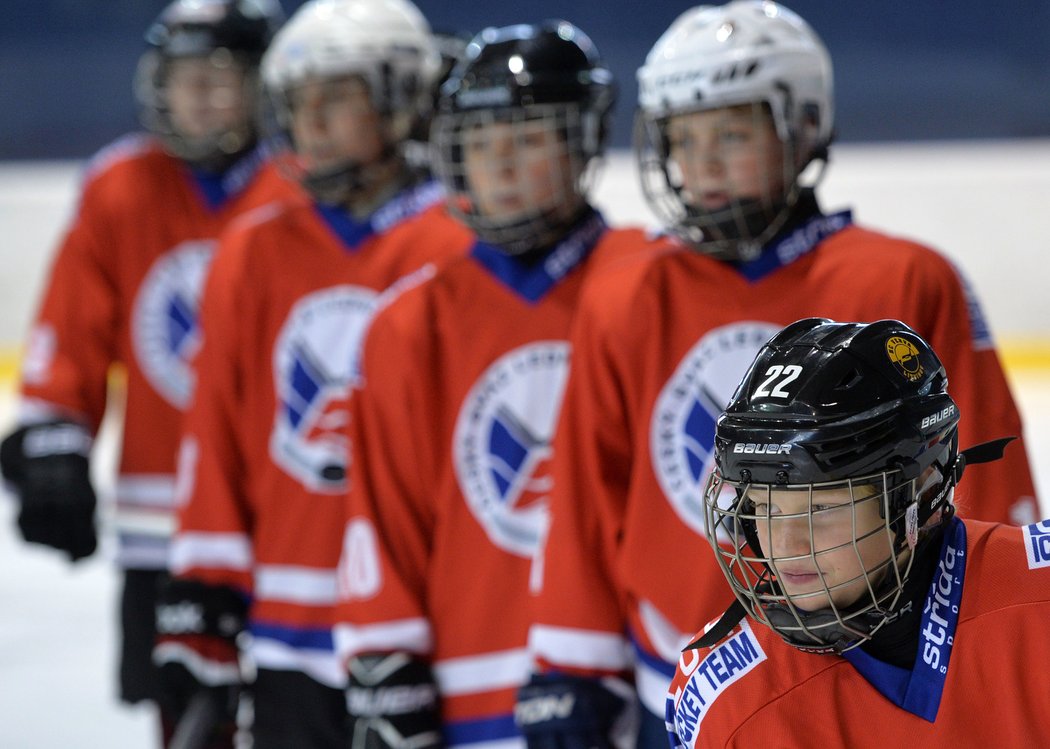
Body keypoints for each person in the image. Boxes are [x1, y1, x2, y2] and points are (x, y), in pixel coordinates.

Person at [523, 1, 1041, 745]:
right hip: (677, 677)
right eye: (682, 136)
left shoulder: (905, 277)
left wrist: (999, 636)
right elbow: (585, 493)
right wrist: (569, 666)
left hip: (868, 668)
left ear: (800, 126)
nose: (702, 161)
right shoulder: (625, 296)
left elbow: (978, 480)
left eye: (731, 133)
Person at [330, 21, 664, 749]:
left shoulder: (654, 283)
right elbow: (385, 517)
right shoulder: (408, 323)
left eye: (528, 138)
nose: (502, 165)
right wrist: (388, 666)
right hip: (473, 684)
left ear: (580, 141)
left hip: (650, 683)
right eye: (480, 144)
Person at [154, 0, 473, 746]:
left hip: (430, 621)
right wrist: (204, 597)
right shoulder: (253, 248)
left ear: (400, 101)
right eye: (300, 103)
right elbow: (217, 433)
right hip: (287, 617)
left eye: (337, 97)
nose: (313, 121)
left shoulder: (457, 244)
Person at [0, 0, 290, 741]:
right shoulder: (119, 186)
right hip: (160, 523)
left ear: (262, 84)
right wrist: (53, 435)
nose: (195, 95)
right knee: (183, 716)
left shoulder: (302, 193)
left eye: (217, 78)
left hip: (288, 520)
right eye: (182, 77)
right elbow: (74, 326)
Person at [666, 317, 1050, 747]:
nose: (787, 547)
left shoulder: (1039, 606)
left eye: (821, 508)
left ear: (919, 494)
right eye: (765, 507)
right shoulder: (726, 702)